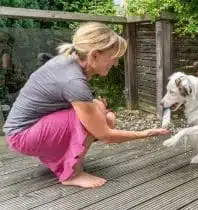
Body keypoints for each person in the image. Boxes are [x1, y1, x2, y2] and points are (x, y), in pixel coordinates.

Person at [3, 22, 171, 188]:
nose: (116, 64)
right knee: (97, 120)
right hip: (22, 136)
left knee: (105, 116)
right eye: (114, 58)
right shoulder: (73, 81)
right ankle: (72, 173)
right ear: (94, 55)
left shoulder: (71, 62)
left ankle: (60, 160)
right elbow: (106, 135)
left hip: (30, 130)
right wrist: (146, 133)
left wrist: (99, 109)